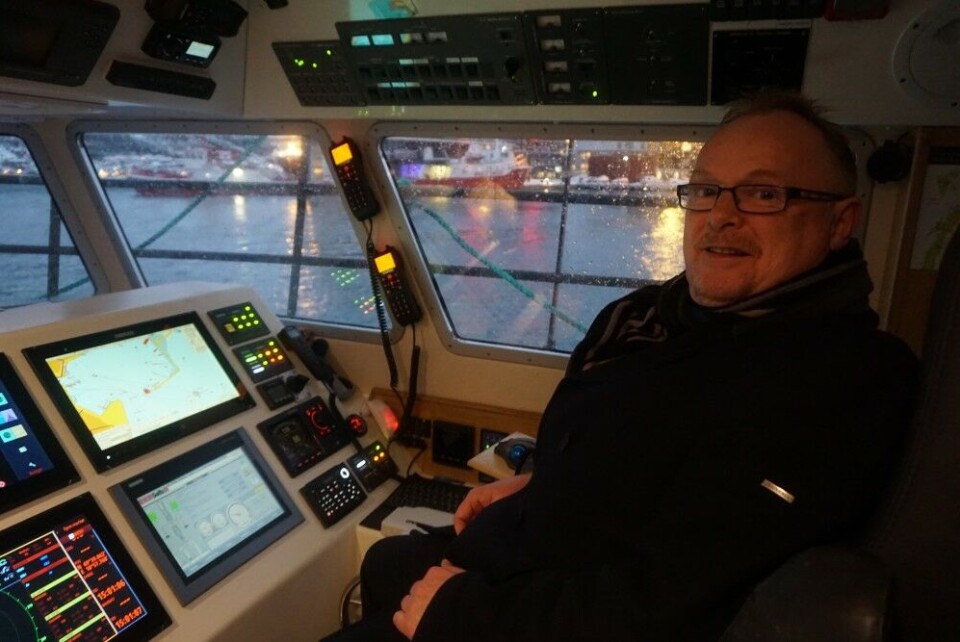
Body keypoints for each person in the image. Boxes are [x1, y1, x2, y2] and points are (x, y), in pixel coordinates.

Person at [324, 92, 919, 641]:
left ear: (841, 222)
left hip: (526, 610)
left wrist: (463, 614)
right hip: (524, 551)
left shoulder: (841, 377)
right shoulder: (652, 317)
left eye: (764, 194)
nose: (720, 217)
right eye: (706, 190)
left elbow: (677, 600)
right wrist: (543, 483)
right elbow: (651, 462)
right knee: (383, 560)